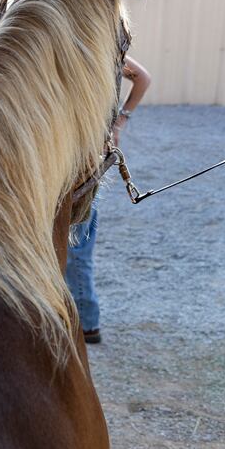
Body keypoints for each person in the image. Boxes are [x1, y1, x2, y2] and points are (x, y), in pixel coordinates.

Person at [66, 56, 151, 344]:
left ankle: (87, 324)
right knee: (75, 250)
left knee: (77, 251)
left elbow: (142, 77)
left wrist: (121, 120)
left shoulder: (104, 50)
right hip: (76, 162)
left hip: (83, 166)